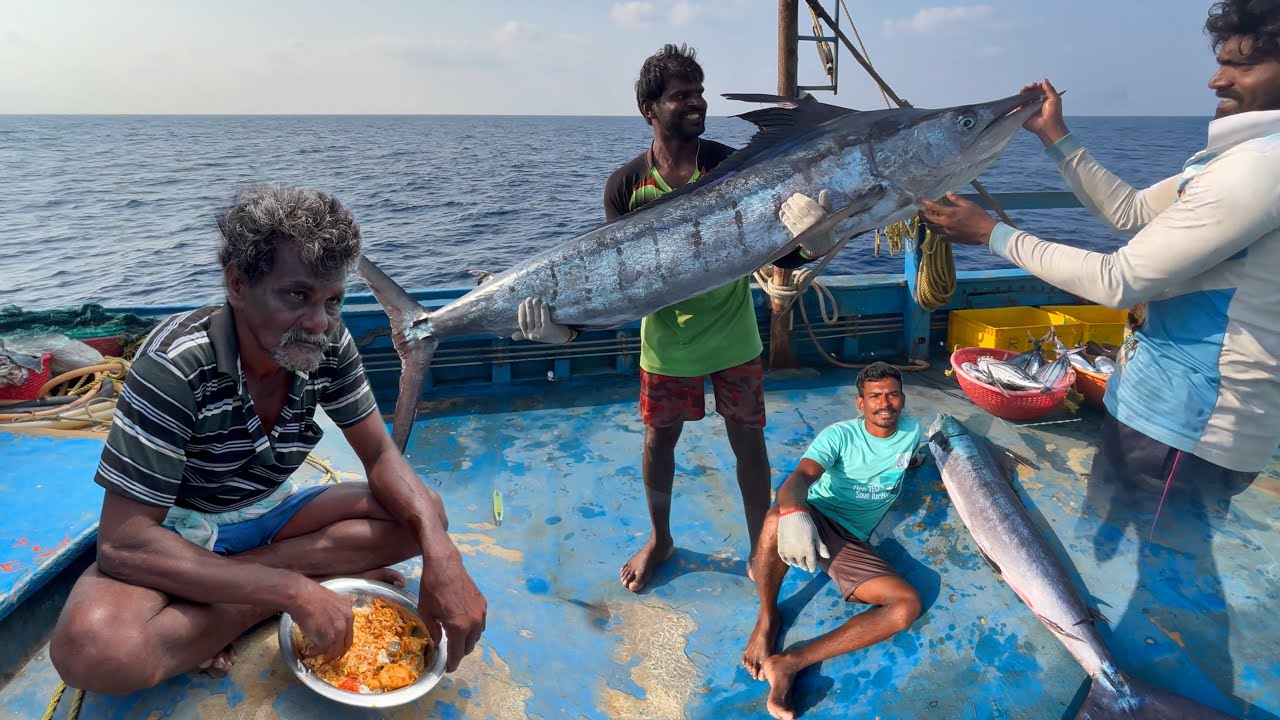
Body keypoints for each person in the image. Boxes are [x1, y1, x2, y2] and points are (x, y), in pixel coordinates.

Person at [48, 184, 487, 694]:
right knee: (93, 652)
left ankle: (230, 601)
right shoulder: (174, 365)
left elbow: (379, 454)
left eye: (333, 300)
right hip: (182, 532)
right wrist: (292, 591)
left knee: (424, 517)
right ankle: (274, 592)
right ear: (238, 283)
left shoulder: (329, 341)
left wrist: (444, 556)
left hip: (271, 514)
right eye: (297, 295)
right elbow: (123, 544)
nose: (319, 322)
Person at [919, 0, 1280, 499]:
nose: (1216, 81)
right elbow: (1130, 211)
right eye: (1221, 63)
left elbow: (1118, 281)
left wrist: (991, 234)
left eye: (1243, 66)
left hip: (1191, 430)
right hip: (1157, 408)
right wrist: (1054, 136)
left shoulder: (1260, 169)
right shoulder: (1239, 160)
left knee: (1154, 549)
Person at [513, 44, 840, 593]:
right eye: (681, 95)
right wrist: (564, 330)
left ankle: (758, 544)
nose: (696, 102)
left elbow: (779, 250)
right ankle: (660, 538)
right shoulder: (625, 185)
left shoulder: (731, 164)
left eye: (700, 92)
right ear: (650, 109)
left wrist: (814, 238)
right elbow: (614, 279)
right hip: (665, 344)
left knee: (749, 442)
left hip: (734, 335)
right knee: (658, 443)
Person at [742, 362, 924, 720]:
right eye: (875, 396)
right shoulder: (839, 436)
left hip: (851, 539)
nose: (885, 403)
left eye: (892, 394)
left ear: (902, 399)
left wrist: (915, 461)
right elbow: (798, 479)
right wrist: (796, 512)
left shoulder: (912, 430)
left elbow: (908, 458)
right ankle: (767, 616)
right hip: (816, 514)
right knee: (776, 518)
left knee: (906, 605)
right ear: (861, 403)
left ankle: (791, 662)